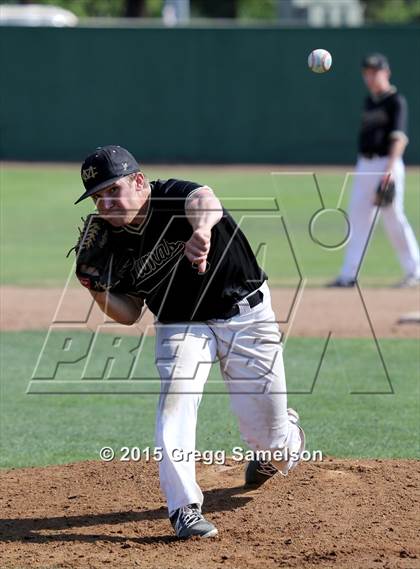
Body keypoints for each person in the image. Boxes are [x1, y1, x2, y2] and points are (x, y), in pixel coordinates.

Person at [74, 145, 305, 540]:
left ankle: (281, 445)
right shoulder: (111, 240)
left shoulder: (172, 195)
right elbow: (129, 313)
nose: (106, 203)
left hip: (244, 314)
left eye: (113, 190)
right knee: (175, 404)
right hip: (180, 323)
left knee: (272, 442)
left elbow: (206, 200)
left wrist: (200, 231)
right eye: (98, 197)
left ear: (139, 181)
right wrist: (94, 288)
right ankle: (184, 508)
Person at [329, 53, 420, 288]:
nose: (370, 77)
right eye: (367, 74)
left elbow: (399, 138)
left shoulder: (395, 101)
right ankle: (348, 275)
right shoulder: (370, 102)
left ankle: (415, 271)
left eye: (375, 72)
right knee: (357, 218)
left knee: (393, 218)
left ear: (386, 73)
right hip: (365, 164)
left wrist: (388, 171)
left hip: (385, 164)